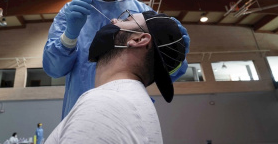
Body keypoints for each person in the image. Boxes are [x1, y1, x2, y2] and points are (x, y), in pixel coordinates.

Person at [43, 0, 190, 119]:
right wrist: (69, 36)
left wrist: (175, 56)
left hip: (125, 110)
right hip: (81, 111)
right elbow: (54, 70)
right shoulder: (72, 12)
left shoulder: (141, 12)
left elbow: (165, 73)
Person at [46, 11, 188, 143]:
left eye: (126, 19)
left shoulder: (105, 106)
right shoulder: (128, 102)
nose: (113, 20)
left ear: (139, 39)